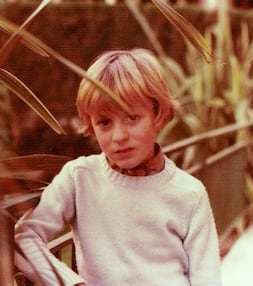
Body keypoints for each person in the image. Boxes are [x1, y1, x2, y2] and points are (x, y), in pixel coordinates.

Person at [14, 48, 222, 286]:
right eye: (104, 122)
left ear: (158, 114)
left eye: (132, 118)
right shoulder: (79, 178)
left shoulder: (190, 194)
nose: (119, 136)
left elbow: (207, 279)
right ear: (91, 125)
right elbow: (24, 238)